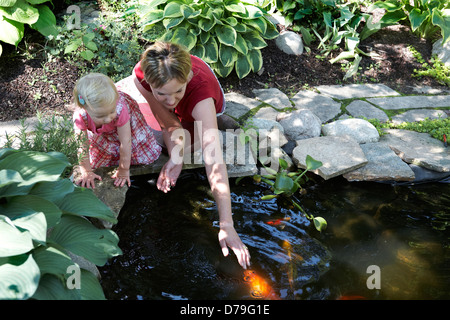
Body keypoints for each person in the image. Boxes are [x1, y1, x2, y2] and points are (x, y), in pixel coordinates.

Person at [133, 41, 251, 269]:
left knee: (191, 142)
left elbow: (214, 161)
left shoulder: (200, 93)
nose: (170, 99)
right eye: (162, 93)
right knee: (170, 144)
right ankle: (202, 127)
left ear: (186, 79)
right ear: (148, 82)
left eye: (178, 91)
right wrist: (176, 156)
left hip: (202, 102)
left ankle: (212, 122)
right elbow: (165, 118)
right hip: (180, 110)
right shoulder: (141, 75)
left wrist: (226, 224)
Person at [73, 73, 161, 189]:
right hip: (103, 130)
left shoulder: (119, 109)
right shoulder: (80, 117)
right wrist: (86, 170)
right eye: (101, 116)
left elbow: (126, 142)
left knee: (133, 146)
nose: (108, 118)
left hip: (126, 126)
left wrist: (124, 170)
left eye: (111, 112)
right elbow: (82, 145)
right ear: (85, 108)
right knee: (100, 155)